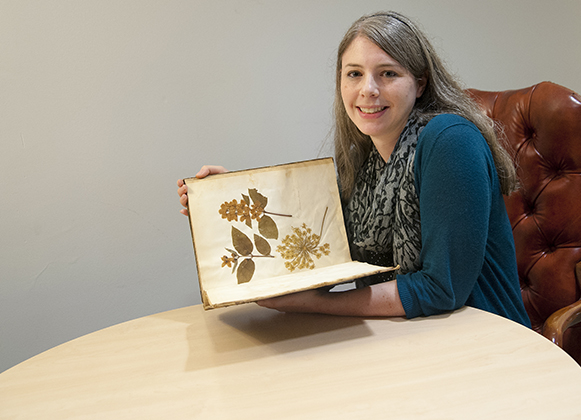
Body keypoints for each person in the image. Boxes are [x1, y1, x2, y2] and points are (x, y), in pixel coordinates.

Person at [177, 11, 531, 327]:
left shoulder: (449, 140)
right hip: (407, 335)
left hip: (484, 339)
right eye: (354, 74)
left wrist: (317, 305)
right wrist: (229, 203)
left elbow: (442, 289)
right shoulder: (364, 160)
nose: (368, 90)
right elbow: (318, 248)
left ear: (420, 83)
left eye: (388, 73)